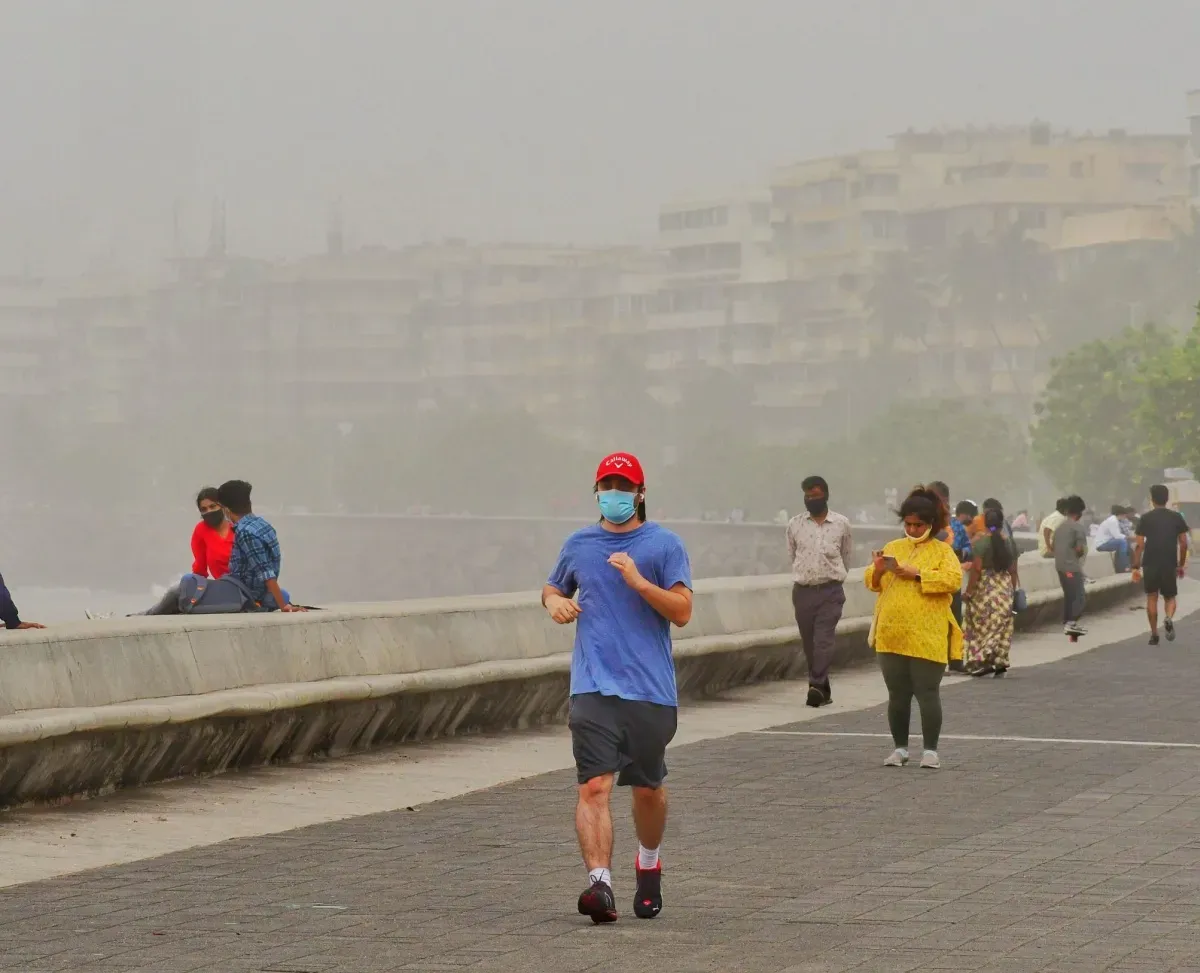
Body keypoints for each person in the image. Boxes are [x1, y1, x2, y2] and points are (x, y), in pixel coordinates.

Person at [543, 452, 692, 924]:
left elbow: (682, 611)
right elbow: (551, 587)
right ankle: (600, 886)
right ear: (596, 492)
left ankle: (649, 865)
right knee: (594, 785)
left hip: (650, 692)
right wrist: (556, 604)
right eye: (607, 485)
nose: (615, 494)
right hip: (592, 688)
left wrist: (638, 582)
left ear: (640, 493)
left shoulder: (665, 545)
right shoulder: (579, 544)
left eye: (623, 486)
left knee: (647, 789)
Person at [864, 485, 964, 771]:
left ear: (930, 524)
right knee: (897, 694)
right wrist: (880, 569)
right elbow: (872, 582)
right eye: (908, 524)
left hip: (927, 633)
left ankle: (930, 750)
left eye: (918, 524)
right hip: (891, 633)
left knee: (927, 691)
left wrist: (917, 573)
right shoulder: (893, 548)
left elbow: (952, 581)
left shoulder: (943, 551)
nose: (912, 528)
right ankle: (900, 749)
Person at [786, 475, 853, 708]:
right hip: (803, 591)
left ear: (825, 495)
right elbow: (793, 555)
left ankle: (814, 684)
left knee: (823, 639)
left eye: (815, 495)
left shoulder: (841, 524)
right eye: (807, 496)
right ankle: (823, 688)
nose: (811, 499)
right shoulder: (794, 524)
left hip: (831, 590)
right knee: (809, 643)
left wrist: (836, 578)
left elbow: (846, 556)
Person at [126, 487, 238, 616]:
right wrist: (193, 589)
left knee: (176, 593)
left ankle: (147, 615)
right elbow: (200, 568)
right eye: (204, 509)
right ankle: (148, 614)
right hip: (220, 586)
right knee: (182, 592)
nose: (209, 511)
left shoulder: (237, 529)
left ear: (223, 506)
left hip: (239, 588)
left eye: (213, 506)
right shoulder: (201, 530)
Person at [217, 480, 304, 613]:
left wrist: (283, 606)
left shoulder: (245, 532)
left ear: (227, 510)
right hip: (257, 593)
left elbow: (265, 572)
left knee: (188, 584)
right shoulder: (263, 524)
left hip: (246, 595)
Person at [963, 507, 1021, 677]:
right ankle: (999, 660)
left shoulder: (981, 543)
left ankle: (982, 658)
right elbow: (1013, 570)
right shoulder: (1009, 543)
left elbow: (977, 569)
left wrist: (969, 592)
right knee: (1002, 624)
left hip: (985, 587)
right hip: (1003, 586)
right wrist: (1011, 591)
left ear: (985, 523)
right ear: (1001, 523)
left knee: (982, 624)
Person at [1132, 484, 1190, 645]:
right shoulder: (1176, 517)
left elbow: (1139, 545)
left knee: (1152, 597)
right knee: (1170, 597)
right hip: (1169, 562)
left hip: (1150, 562)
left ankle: (1154, 634)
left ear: (1152, 499)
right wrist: (1181, 564)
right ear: (1167, 498)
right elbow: (1184, 543)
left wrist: (1135, 566)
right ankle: (1169, 617)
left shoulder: (1145, 518)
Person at [1053, 495, 1089, 637]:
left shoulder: (1059, 527)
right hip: (1071, 568)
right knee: (1079, 596)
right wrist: (1076, 554)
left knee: (1069, 595)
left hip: (1060, 567)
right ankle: (1071, 623)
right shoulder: (1077, 528)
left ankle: (1067, 621)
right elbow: (1080, 549)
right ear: (1079, 513)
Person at [1093, 505, 1132, 573]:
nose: (1125, 517)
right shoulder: (1113, 521)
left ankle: (1120, 568)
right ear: (1121, 514)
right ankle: (1125, 567)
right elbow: (1117, 536)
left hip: (1107, 542)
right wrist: (1131, 538)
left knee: (1124, 545)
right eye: (1124, 515)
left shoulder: (1114, 520)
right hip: (1102, 544)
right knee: (1122, 542)